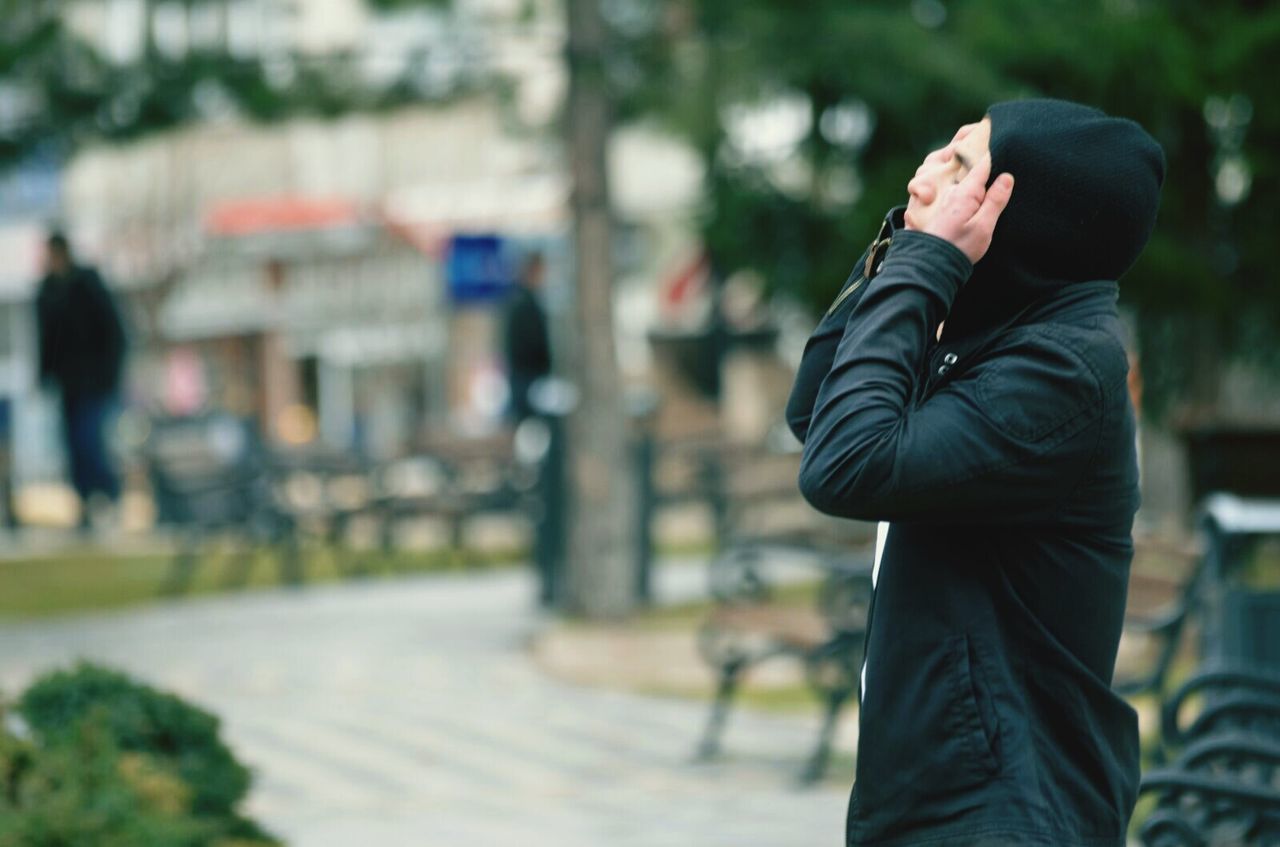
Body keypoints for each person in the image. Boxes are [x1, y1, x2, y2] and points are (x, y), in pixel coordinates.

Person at [786, 99, 1164, 846]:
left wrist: (930, 260)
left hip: (1005, 803)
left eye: (959, 165)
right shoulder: (994, 331)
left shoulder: (1065, 367)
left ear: (1020, 209)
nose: (923, 175)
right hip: (933, 789)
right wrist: (908, 245)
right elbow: (816, 412)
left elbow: (845, 464)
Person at [35, 231, 128, 530]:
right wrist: (44, 375)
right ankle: (85, 501)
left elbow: (113, 332)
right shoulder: (48, 292)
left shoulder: (87, 285)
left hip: (95, 383)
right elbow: (47, 341)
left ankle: (110, 495)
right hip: (68, 384)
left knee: (90, 440)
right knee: (72, 445)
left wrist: (109, 374)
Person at [501, 252, 552, 423]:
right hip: (528, 378)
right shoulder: (524, 304)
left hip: (526, 377)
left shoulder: (519, 301)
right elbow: (531, 344)